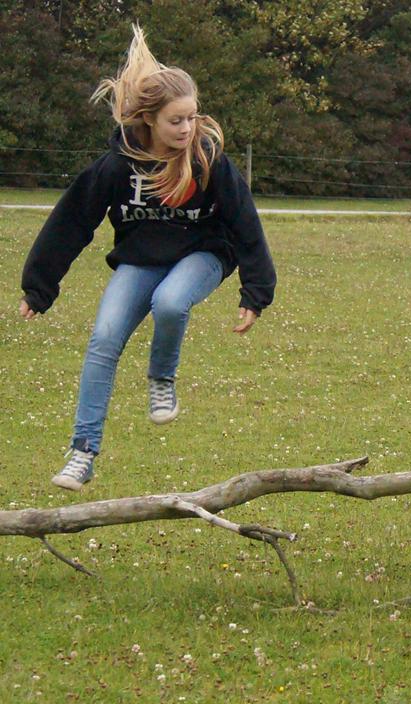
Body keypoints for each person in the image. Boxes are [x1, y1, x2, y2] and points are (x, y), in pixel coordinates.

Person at [18, 25, 276, 491]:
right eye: (176, 120)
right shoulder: (118, 166)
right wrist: (40, 287)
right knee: (103, 339)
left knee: (172, 302)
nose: (187, 128)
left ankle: (161, 379)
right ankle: (82, 453)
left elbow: (245, 223)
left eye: (192, 118)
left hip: (204, 254)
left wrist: (256, 292)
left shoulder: (207, 159)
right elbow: (72, 222)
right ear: (150, 120)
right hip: (141, 259)